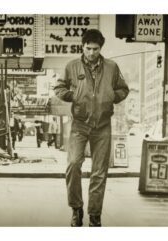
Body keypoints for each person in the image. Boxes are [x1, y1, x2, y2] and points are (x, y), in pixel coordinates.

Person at [54, 29, 129, 227]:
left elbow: (123, 89)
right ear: (82, 46)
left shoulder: (112, 67)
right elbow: (59, 88)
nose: (91, 53)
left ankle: (95, 215)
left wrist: (112, 97)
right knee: (73, 165)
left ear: (100, 48)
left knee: (99, 172)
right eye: (88, 48)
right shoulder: (72, 66)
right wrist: (73, 96)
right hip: (79, 124)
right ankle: (76, 209)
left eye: (95, 49)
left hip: (103, 126)